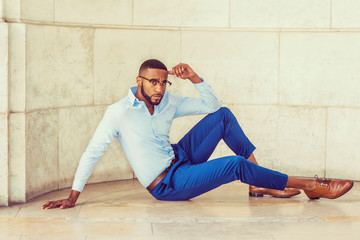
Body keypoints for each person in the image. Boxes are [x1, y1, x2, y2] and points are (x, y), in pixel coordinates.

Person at [42, 59, 353, 209]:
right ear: (139, 80)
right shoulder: (118, 113)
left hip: (180, 156)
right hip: (167, 183)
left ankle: (258, 183)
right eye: (153, 82)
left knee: (223, 117)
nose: (159, 89)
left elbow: (212, 105)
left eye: (164, 83)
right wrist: (73, 195)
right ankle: (313, 185)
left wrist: (195, 77)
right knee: (233, 166)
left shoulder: (168, 100)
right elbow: (93, 151)